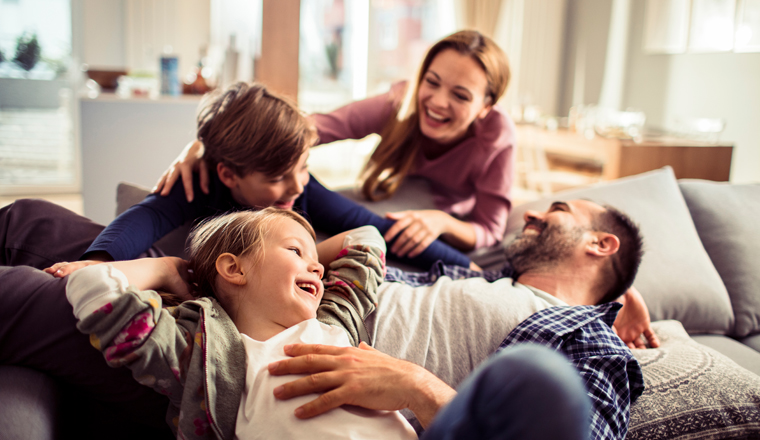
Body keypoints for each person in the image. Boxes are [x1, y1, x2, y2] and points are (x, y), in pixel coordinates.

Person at [0, 198, 653, 439]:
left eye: (558, 211)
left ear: (600, 245)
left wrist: (415, 388)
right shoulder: (482, 277)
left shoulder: (587, 340)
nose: (531, 213)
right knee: (32, 219)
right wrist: (288, 239)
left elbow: (563, 424)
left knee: (22, 296)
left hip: (250, 366)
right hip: (254, 283)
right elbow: (367, 242)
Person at [155, 30, 515, 260]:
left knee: (336, 230)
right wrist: (206, 145)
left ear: (486, 105)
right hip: (390, 194)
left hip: (442, 214)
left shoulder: (496, 136)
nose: (437, 101)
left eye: (460, 95)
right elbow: (305, 129)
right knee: (319, 209)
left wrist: (443, 223)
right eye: (432, 82)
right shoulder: (399, 103)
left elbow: (490, 229)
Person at [75, 81, 473, 274]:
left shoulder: (301, 190)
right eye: (280, 177)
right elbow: (145, 217)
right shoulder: (199, 185)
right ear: (228, 175)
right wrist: (96, 261)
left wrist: (470, 268)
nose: (297, 185)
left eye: (303, 167)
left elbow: (369, 225)